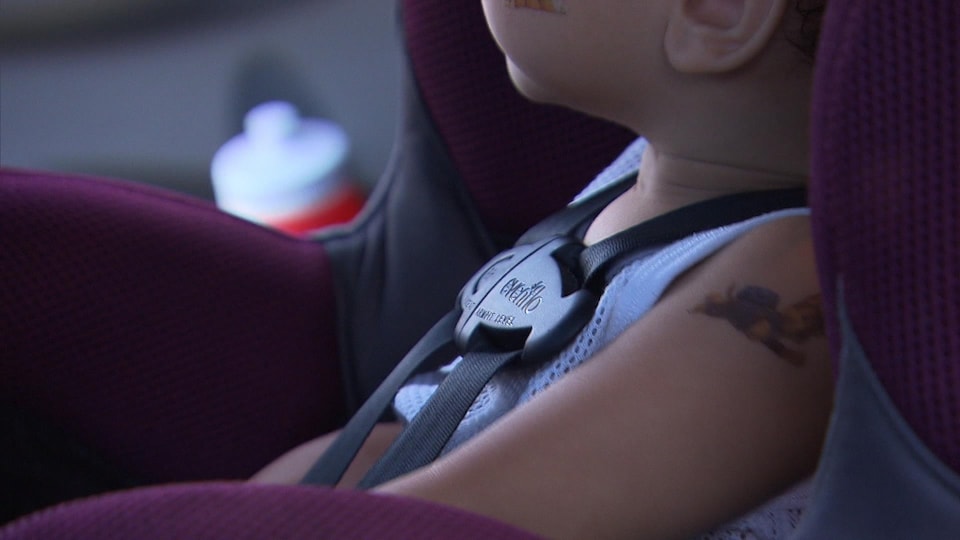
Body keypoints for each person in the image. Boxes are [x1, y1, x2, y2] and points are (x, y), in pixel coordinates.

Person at [252, 1, 833, 538]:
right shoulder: (668, 172)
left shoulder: (786, 289)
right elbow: (475, 430)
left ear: (719, 9)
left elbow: (452, 524)